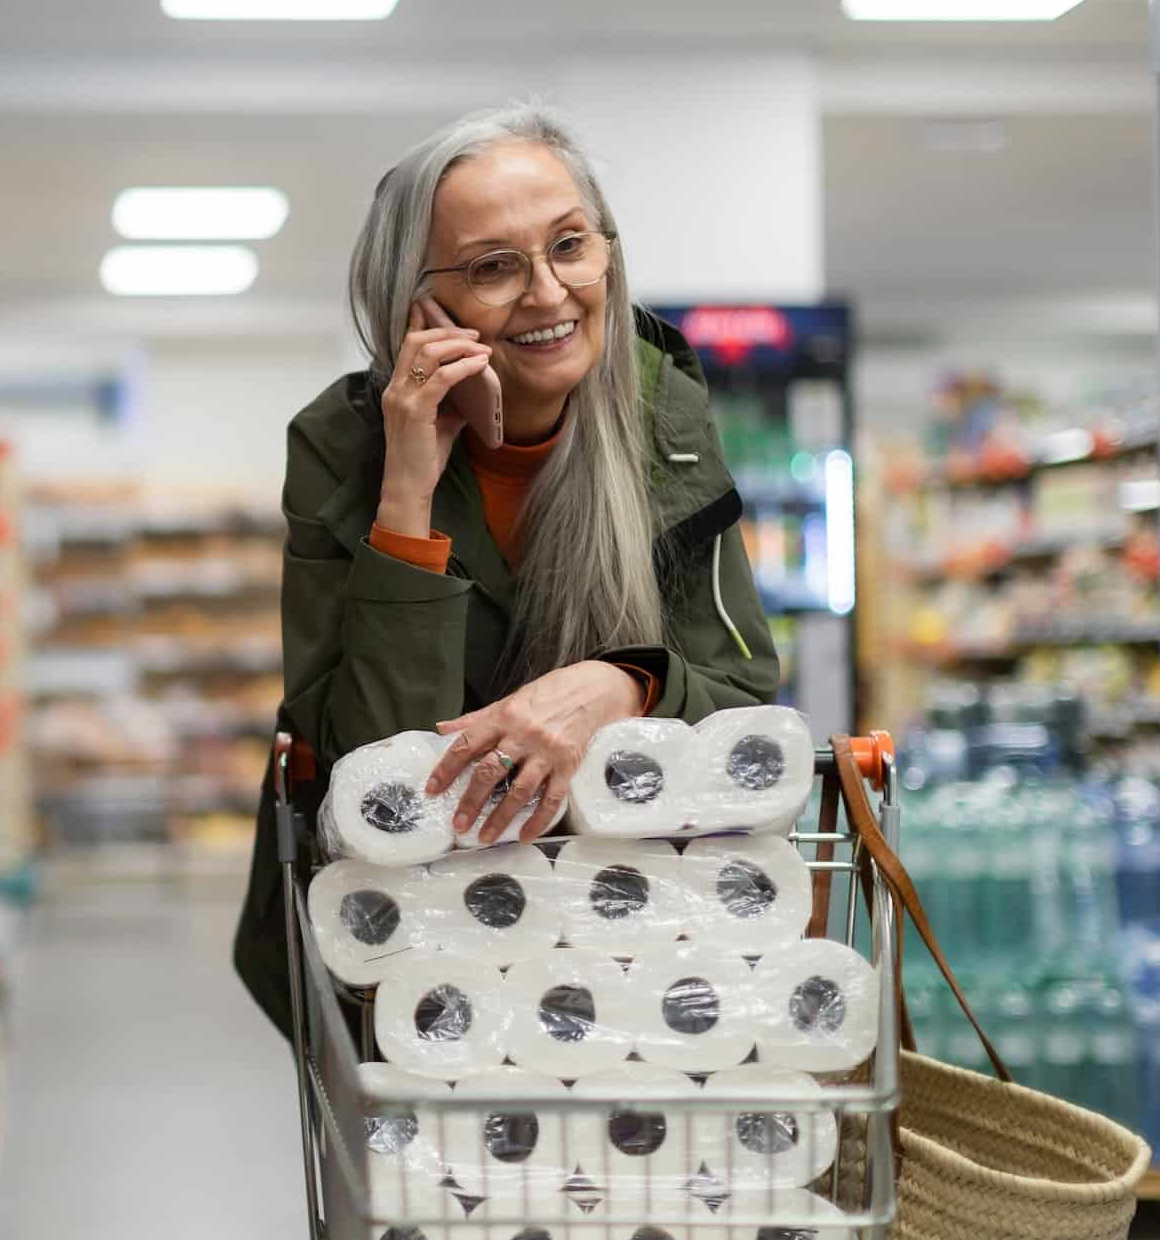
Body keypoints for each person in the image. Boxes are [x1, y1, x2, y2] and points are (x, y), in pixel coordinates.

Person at [232, 104, 779, 1040]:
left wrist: (619, 683)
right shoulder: (341, 447)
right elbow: (370, 769)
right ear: (413, 299)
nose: (548, 292)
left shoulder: (664, 419)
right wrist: (408, 488)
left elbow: (743, 705)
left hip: (643, 946)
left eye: (571, 245)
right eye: (493, 267)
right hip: (415, 961)